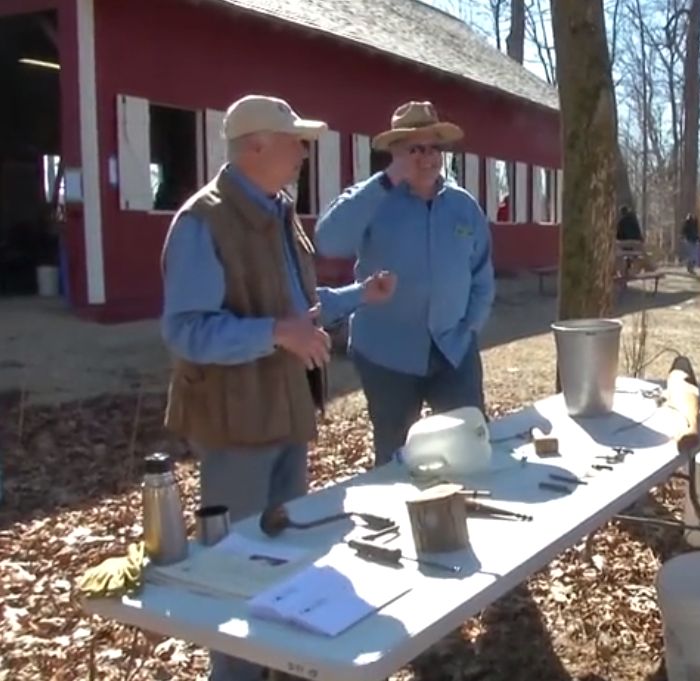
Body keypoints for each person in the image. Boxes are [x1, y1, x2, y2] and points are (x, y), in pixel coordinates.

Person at [160, 94, 396, 681]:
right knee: (238, 570)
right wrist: (276, 334)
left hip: (286, 414)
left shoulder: (278, 212)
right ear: (255, 147)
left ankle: (283, 665)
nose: (303, 151)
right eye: (294, 141)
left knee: (286, 558)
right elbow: (186, 332)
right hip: (235, 425)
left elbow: (300, 312)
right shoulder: (202, 222)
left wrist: (357, 296)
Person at [315, 101, 494, 468]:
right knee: (396, 456)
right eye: (415, 149)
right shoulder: (373, 200)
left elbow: (482, 274)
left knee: (469, 444)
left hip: (453, 350)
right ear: (395, 153)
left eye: (434, 148)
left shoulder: (463, 207)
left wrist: (470, 325)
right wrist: (388, 179)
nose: (427, 158)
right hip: (387, 354)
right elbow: (328, 240)